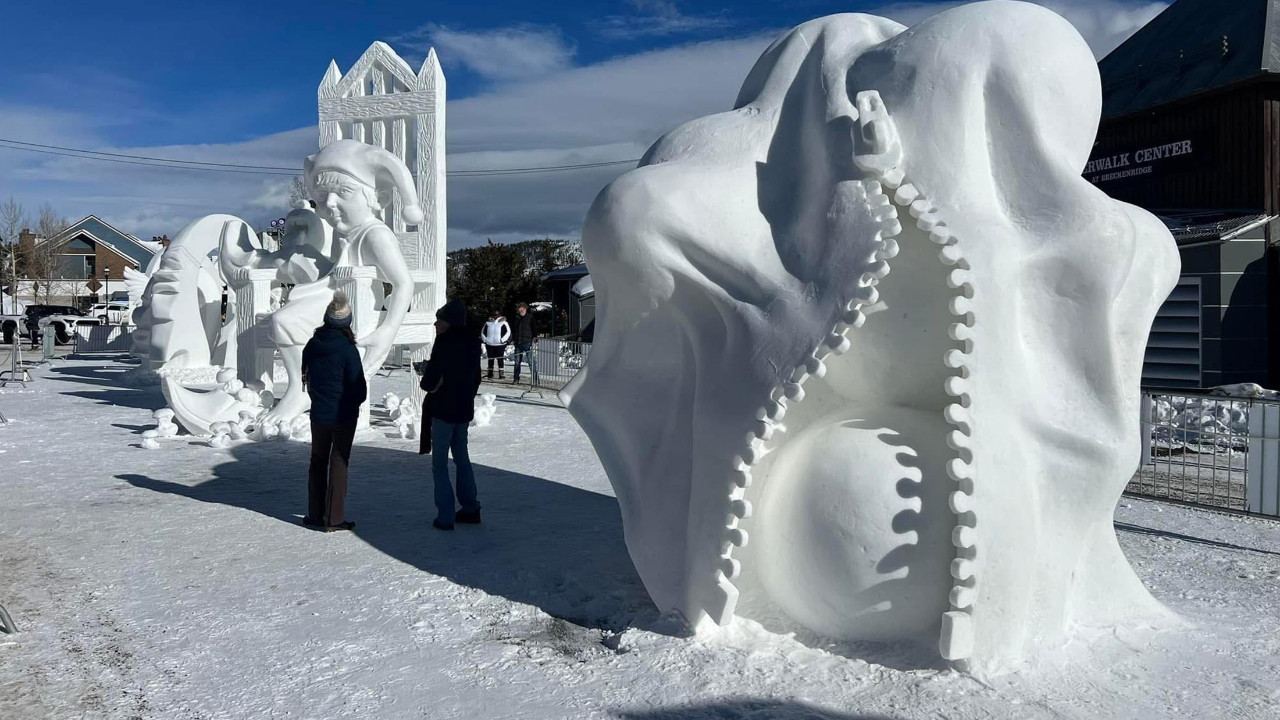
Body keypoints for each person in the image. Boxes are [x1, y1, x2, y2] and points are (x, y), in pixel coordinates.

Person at [301, 292, 367, 532]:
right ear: (347, 322)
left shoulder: (312, 345)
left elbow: (306, 377)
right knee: (339, 462)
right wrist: (354, 403)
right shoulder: (348, 350)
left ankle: (315, 514)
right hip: (343, 415)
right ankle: (334, 518)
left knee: (317, 461)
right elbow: (359, 387)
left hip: (319, 413)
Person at [421, 298, 483, 530]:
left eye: (439, 320)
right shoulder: (473, 342)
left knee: (439, 464)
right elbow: (476, 377)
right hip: (463, 409)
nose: (436, 324)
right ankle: (471, 507)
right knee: (462, 459)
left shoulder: (444, 343)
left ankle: (445, 516)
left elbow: (430, 382)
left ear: (449, 322)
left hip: (443, 409)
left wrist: (428, 374)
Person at [481, 310, 511, 379]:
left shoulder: (504, 323)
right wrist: (485, 339)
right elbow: (483, 331)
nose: (495, 316)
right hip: (490, 344)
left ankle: (501, 374)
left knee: (500, 359)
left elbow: (508, 332)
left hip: (500, 344)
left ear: (500, 315)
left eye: (497, 315)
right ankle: (490, 373)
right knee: (490, 359)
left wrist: (502, 340)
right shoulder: (488, 323)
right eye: (494, 315)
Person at [510, 302, 536, 384]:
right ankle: (516, 379)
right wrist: (513, 339)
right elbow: (514, 330)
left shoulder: (530, 317)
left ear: (524, 308)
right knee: (517, 362)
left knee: (531, 362)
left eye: (520, 308)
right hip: (518, 342)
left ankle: (535, 379)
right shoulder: (516, 318)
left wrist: (534, 340)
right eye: (518, 308)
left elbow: (534, 329)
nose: (519, 310)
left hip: (527, 342)